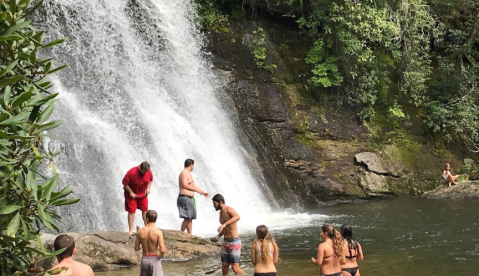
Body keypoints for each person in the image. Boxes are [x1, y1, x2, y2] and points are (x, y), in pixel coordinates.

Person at [210, 194, 245, 275]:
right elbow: (225, 228)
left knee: (235, 268)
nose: (213, 206)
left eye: (215, 204)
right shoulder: (220, 213)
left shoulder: (229, 210)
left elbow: (237, 217)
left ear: (220, 202)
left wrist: (224, 224)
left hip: (234, 241)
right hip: (225, 242)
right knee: (224, 266)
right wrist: (218, 236)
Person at [177, 158, 209, 234]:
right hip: (185, 198)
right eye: (193, 165)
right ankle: (180, 233)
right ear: (191, 165)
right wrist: (197, 191)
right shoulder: (184, 173)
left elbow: (193, 185)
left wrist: (202, 192)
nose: (193, 167)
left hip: (190, 198)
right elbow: (185, 185)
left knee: (190, 218)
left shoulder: (189, 174)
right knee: (187, 217)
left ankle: (190, 235)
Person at [123, 161, 153, 236]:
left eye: (145, 172)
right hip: (132, 195)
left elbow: (151, 180)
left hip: (143, 194)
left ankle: (147, 228)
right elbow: (125, 183)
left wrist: (148, 188)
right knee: (132, 211)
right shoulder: (131, 172)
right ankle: (130, 230)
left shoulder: (148, 172)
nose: (144, 174)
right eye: (143, 172)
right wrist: (130, 192)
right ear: (140, 167)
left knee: (145, 210)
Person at [135, 210, 166, 276]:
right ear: (155, 219)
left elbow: (136, 248)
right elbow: (163, 250)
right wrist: (161, 257)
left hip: (144, 260)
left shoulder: (140, 231)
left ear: (147, 219)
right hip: (155, 260)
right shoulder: (158, 232)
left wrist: (141, 246)